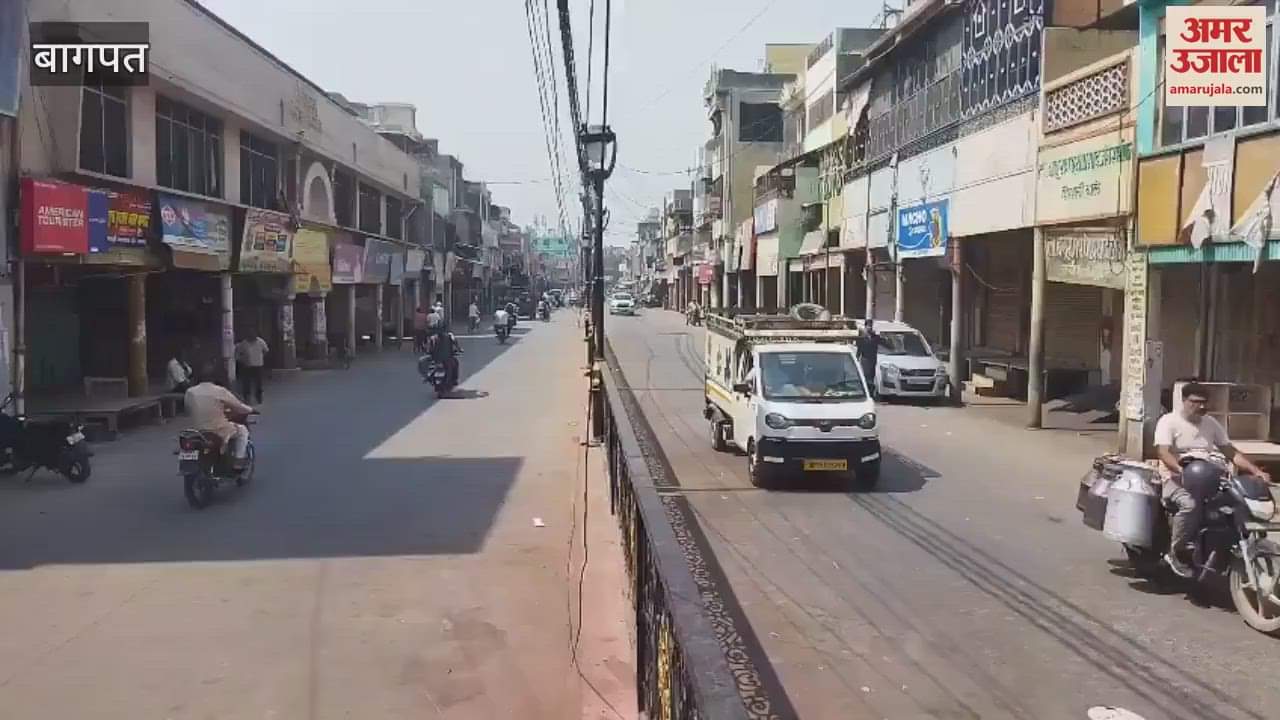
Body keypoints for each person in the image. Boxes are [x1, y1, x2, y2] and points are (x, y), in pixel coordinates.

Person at [1154, 382, 1271, 577]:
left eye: (1204, 402)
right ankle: (1176, 552)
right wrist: (1181, 471)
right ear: (1184, 401)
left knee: (1238, 501)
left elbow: (1229, 451)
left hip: (1210, 478)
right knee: (1189, 505)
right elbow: (1163, 452)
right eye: (1195, 402)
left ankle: (1237, 543)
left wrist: (1255, 470)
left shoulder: (1210, 423)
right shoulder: (1168, 421)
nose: (1200, 406)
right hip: (1176, 479)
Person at [185, 364, 255, 470]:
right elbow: (238, 406)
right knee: (242, 431)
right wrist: (251, 410)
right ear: (214, 378)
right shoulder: (219, 391)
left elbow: (188, 408)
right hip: (218, 429)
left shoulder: (190, 392)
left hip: (197, 431)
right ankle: (238, 461)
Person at [234, 333, 269, 404]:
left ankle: (258, 397)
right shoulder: (244, 343)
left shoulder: (260, 341)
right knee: (246, 383)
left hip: (258, 365)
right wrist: (242, 360)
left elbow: (266, 350)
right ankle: (247, 397)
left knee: (258, 383)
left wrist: (260, 357)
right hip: (247, 366)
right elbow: (238, 353)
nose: (252, 338)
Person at [855, 319, 880, 399]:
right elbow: (859, 350)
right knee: (866, 377)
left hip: (873, 360)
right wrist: (857, 359)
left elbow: (882, 343)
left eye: (870, 326)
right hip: (865, 360)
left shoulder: (875, 337)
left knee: (871, 377)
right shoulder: (862, 338)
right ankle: (867, 394)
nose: (869, 327)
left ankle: (871, 394)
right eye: (868, 326)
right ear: (865, 327)